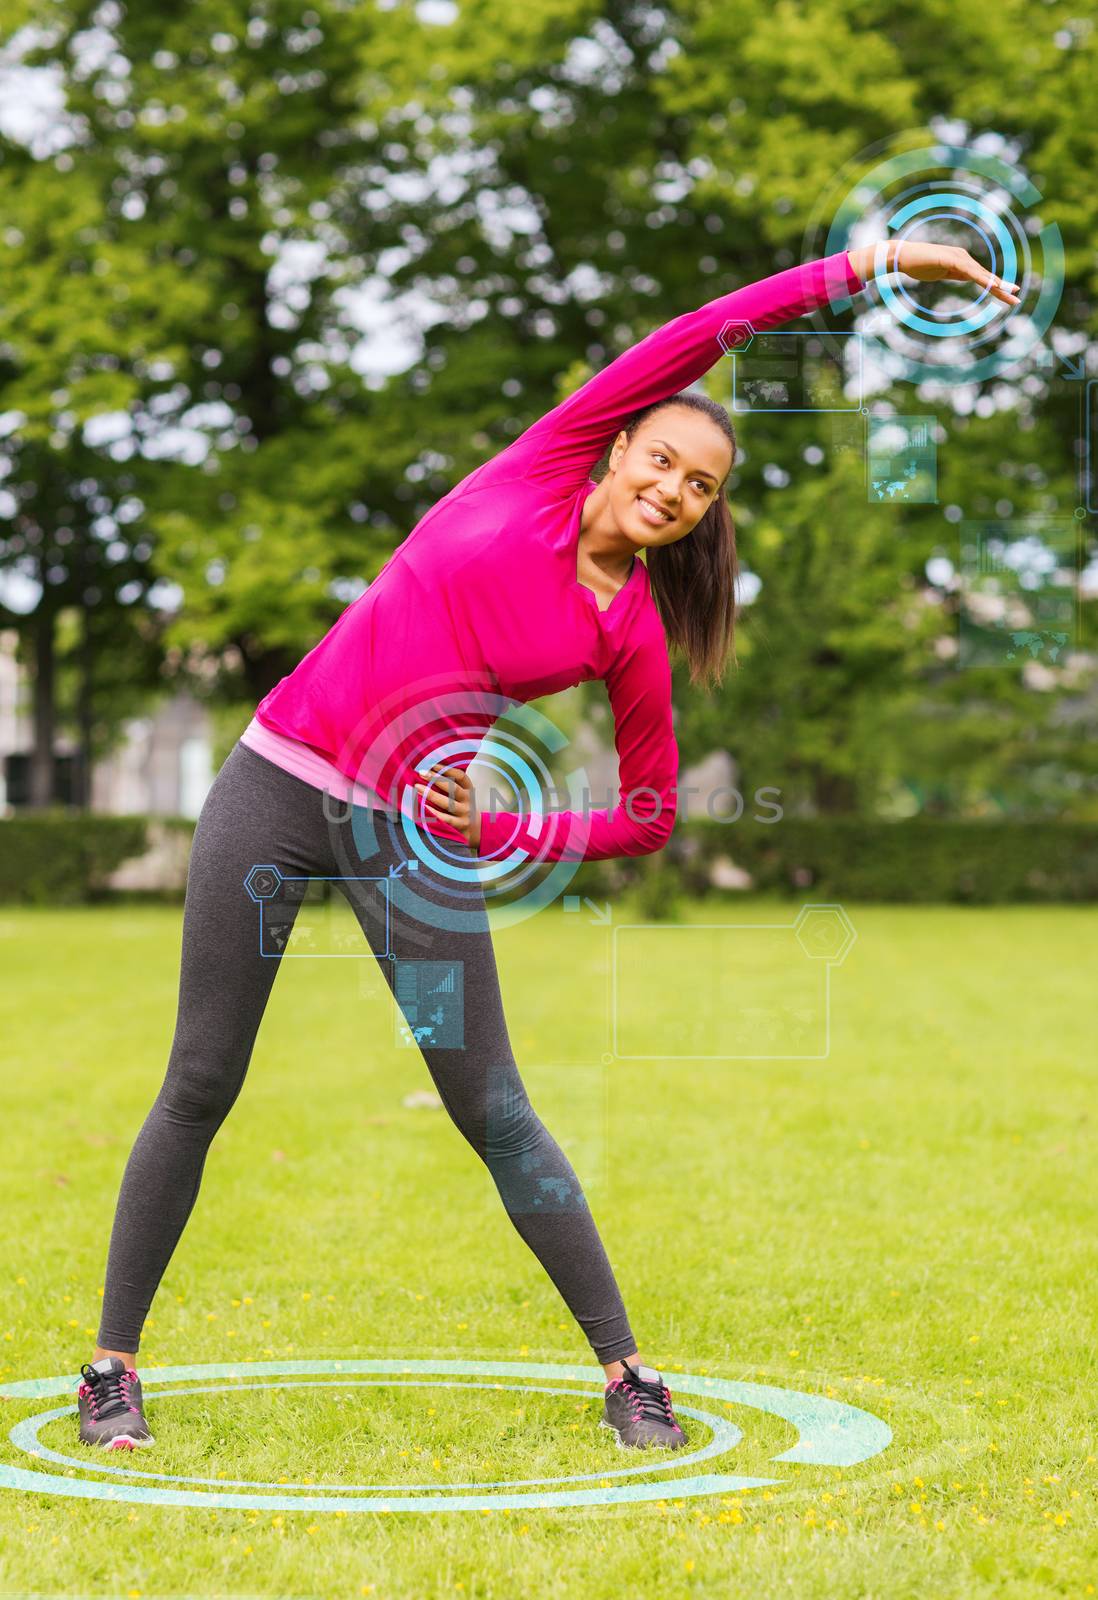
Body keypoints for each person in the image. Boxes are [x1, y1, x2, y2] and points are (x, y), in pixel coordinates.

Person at [76, 240, 1017, 1451]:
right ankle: (112, 1367)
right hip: (275, 781)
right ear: (622, 445)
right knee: (201, 1078)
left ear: (703, 516)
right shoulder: (542, 462)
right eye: (664, 459)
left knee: (498, 1111)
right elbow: (713, 321)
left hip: (411, 838)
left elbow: (649, 815)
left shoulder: (627, 633)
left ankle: (628, 1376)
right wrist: (881, 263)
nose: (674, 488)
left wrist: (514, 825)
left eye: (700, 487)